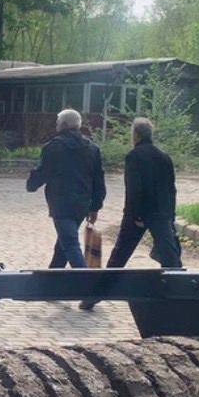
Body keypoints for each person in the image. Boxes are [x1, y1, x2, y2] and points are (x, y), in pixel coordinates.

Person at [80, 116, 181, 310]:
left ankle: (94, 296)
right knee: (171, 257)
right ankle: (178, 294)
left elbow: (134, 189)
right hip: (161, 213)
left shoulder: (134, 156)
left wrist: (136, 215)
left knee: (119, 256)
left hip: (138, 214)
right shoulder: (164, 156)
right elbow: (171, 189)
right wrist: (171, 216)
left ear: (136, 135)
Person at [27, 108, 106, 269]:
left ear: (63, 125)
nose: (56, 125)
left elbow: (43, 172)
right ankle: (52, 278)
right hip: (82, 205)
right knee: (63, 245)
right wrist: (95, 207)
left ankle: (86, 280)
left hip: (61, 204)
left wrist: (31, 184)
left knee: (70, 245)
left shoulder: (53, 147)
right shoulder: (92, 148)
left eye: (57, 122)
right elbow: (98, 180)